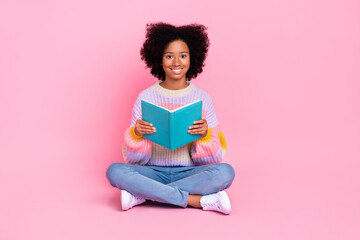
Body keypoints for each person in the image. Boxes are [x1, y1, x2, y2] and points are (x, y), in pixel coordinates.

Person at [106, 23, 235, 214]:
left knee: (225, 172)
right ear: (159, 59)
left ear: (192, 58)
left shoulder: (203, 98)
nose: (176, 62)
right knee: (115, 171)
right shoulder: (145, 97)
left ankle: (145, 195)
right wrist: (137, 134)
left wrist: (206, 135)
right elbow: (133, 159)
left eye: (183, 55)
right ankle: (196, 201)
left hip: (190, 172)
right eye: (169, 56)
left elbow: (216, 158)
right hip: (152, 172)